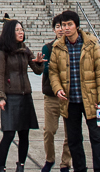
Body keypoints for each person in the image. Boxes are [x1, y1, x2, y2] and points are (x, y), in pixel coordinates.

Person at [49, 10, 100, 172]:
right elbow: (53, 72)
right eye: (63, 25)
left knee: (97, 138)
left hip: (91, 99)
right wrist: (58, 88)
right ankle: (80, 169)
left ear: (76, 26)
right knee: (74, 140)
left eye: (69, 24)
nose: (66, 28)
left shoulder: (91, 44)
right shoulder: (58, 46)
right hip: (69, 101)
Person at [0, 18, 45, 172]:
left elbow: (37, 71)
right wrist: (0, 96)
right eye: (17, 30)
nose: (21, 32)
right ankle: (1, 167)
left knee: (24, 134)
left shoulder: (25, 50)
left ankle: (20, 165)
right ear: (10, 32)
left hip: (25, 97)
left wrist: (40, 62)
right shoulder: (3, 52)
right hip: (11, 97)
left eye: (22, 29)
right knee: (8, 135)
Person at [41, 15, 72, 172]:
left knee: (70, 132)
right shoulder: (47, 47)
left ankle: (65, 163)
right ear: (54, 29)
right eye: (58, 26)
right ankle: (49, 158)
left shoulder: (72, 46)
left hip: (69, 96)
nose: (61, 29)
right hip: (52, 96)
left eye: (64, 26)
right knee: (49, 131)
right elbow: (46, 69)